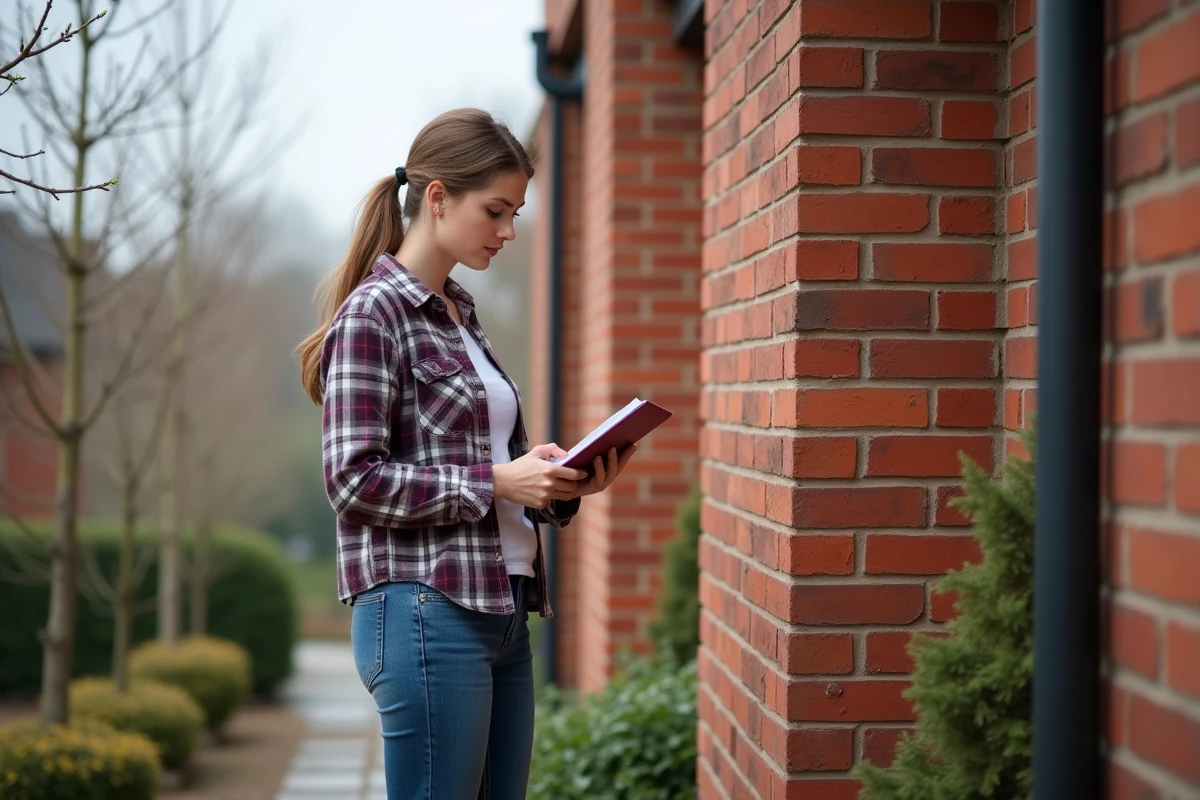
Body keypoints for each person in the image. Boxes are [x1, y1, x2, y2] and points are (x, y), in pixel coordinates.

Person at [296, 108, 635, 799]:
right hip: (426, 611)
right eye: (496, 210)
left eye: (516, 212)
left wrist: (555, 482)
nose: (509, 231)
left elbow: (483, 462)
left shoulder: (460, 310)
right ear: (439, 196)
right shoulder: (374, 315)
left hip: (504, 608)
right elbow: (352, 481)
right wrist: (498, 481)